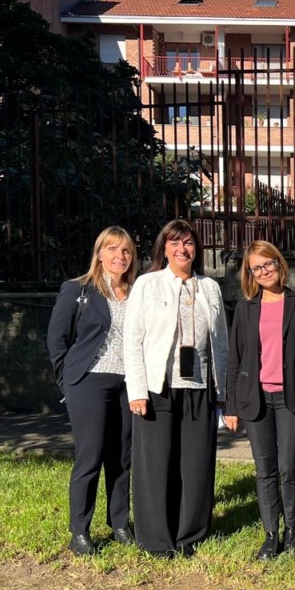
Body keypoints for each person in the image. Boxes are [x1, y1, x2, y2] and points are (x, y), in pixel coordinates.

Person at [123, 219, 228, 559]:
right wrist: (137, 390)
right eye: (175, 243)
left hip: (199, 386)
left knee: (196, 465)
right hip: (159, 386)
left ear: (196, 249)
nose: (183, 249)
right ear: (164, 248)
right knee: (156, 464)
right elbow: (132, 340)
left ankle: (190, 534)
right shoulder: (147, 284)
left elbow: (221, 344)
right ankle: (155, 538)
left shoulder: (209, 287)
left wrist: (222, 391)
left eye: (189, 243)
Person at [223, 242, 295, 560]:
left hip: (293, 398)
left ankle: (293, 532)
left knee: (288, 467)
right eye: (256, 268)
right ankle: (271, 534)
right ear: (249, 273)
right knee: (264, 469)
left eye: (269, 264)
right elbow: (235, 359)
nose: (264, 272)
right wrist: (232, 404)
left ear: (280, 265)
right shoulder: (246, 307)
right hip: (256, 399)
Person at [46, 226, 138, 556]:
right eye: (112, 249)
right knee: (91, 456)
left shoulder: (137, 292)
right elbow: (57, 340)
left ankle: (120, 524)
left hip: (128, 383)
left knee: (122, 457)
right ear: (99, 254)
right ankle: (80, 531)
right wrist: (68, 382)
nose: (119, 256)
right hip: (89, 382)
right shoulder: (78, 290)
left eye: (126, 250)